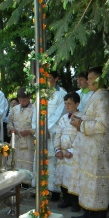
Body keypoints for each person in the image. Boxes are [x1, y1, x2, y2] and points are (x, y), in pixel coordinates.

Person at [70, 66, 109, 218]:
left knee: (97, 183)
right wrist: (79, 120)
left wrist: (81, 124)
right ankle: (89, 212)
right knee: (88, 181)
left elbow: (103, 125)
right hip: (90, 148)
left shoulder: (103, 97)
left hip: (98, 149)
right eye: (88, 78)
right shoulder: (96, 95)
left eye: (92, 78)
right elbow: (92, 118)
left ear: (100, 80)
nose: (88, 81)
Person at [32, 71, 67, 201]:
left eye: (50, 78)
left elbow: (59, 113)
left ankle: (55, 191)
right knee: (40, 159)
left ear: (57, 78)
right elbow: (36, 111)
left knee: (53, 161)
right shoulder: (41, 92)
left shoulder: (62, 94)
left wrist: (47, 128)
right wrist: (38, 128)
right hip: (41, 131)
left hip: (52, 132)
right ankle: (40, 188)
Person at [54, 92, 81, 212]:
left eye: (69, 103)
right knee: (62, 176)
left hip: (74, 155)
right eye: (65, 103)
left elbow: (81, 136)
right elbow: (57, 134)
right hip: (62, 154)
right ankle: (66, 200)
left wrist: (72, 150)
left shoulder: (82, 118)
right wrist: (57, 149)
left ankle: (76, 203)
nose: (67, 106)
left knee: (73, 179)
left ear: (77, 103)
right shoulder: (63, 118)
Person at [7, 87, 34, 178]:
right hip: (16, 139)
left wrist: (30, 131)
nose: (22, 102)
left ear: (30, 97)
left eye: (24, 100)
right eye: (20, 100)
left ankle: (27, 184)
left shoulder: (35, 109)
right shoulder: (14, 109)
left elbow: (38, 125)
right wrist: (11, 129)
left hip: (29, 141)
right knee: (14, 162)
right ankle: (14, 183)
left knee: (28, 163)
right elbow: (9, 122)